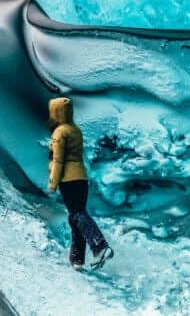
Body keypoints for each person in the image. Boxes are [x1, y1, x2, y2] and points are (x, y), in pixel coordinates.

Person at [48, 96, 113, 271]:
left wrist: (53, 183)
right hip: (81, 178)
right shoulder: (74, 130)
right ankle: (77, 260)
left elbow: (58, 160)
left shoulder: (60, 132)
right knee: (75, 217)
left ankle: (100, 246)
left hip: (68, 179)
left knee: (77, 215)